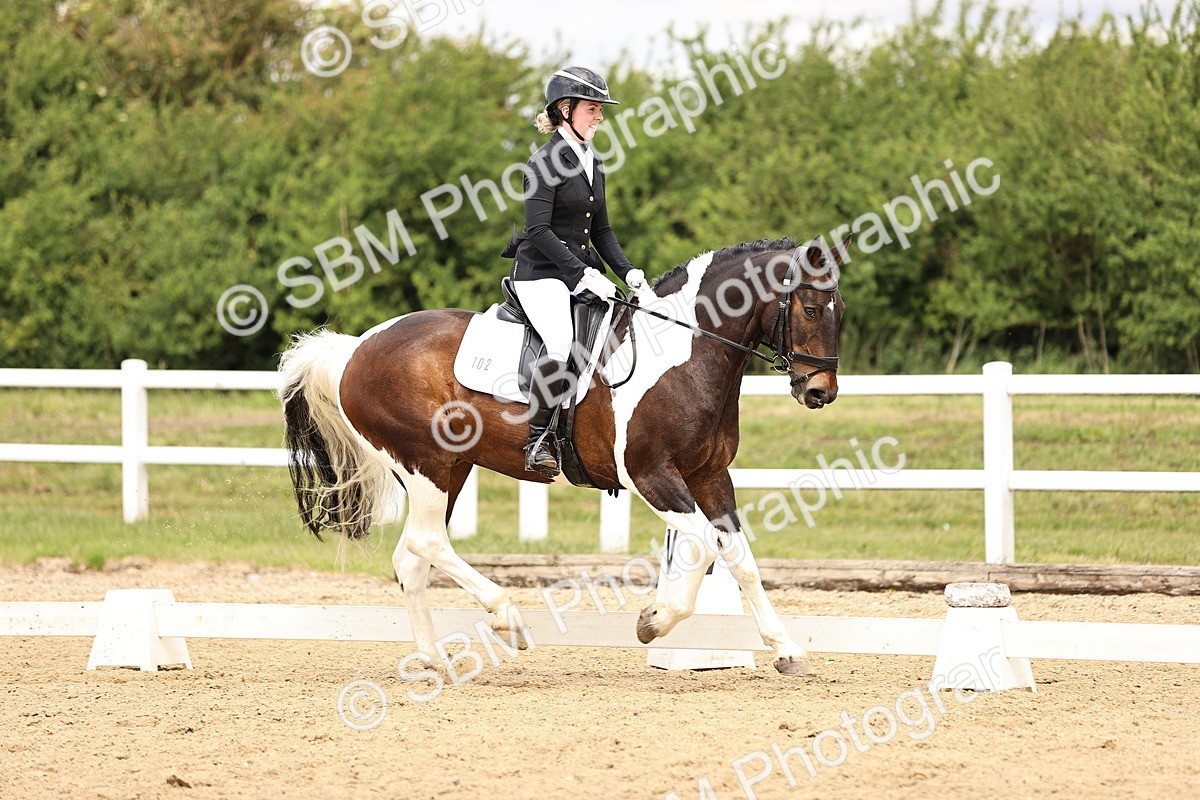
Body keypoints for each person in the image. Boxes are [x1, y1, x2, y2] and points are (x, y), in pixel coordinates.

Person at [507, 65, 646, 478]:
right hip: (540, 274)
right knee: (560, 342)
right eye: (592, 108)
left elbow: (601, 231)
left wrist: (629, 273)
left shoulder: (592, 161)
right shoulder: (542, 162)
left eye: (600, 109)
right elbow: (538, 230)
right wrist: (581, 275)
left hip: (580, 272)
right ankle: (537, 440)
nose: (600, 116)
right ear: (565, 109)